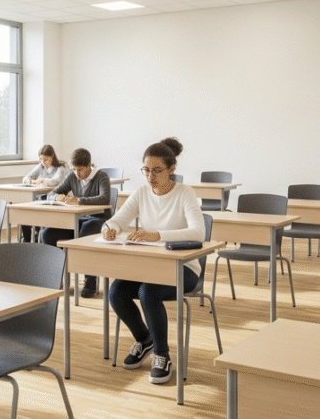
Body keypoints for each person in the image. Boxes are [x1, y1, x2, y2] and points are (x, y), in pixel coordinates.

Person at [102, 138, 203, 385]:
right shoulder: (141, 193)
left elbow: (198, 232)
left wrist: (156, 235)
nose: (150, 176)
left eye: (157, 170)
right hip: (151, 265)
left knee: (148, 292)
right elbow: (117, 219)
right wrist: (109, 229)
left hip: (184, 267)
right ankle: (144, 339)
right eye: (146, 170)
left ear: (171, 169)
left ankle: (162, 355)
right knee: (116, 292)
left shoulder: (185, 193)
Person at [39, 148, 112, 298]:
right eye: (74, 169)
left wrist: (79, 200)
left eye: (80, 170)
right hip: (77, 219)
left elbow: (104, 198)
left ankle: (90, 281)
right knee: (47, 234)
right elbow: (52, 193)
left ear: (89, 165)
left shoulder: (101, 176)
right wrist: (57, 197)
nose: (77, 173)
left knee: (85, 233)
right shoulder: (72, 176)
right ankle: (56, 277)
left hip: (98, 219)